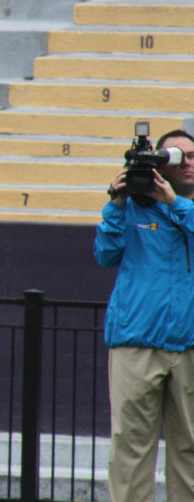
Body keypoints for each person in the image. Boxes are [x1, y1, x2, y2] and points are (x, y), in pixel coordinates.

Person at [95, 128, 194, 502]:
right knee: (131, 449)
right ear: (158, 164)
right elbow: (105, 254)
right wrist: (116, 205)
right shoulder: (131, 208)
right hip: (136, 342)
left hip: (190, 344)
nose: (187, 163)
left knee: (190, 447)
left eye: (193, 155)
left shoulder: (186, 209)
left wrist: (174, 205)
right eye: (177, 156)